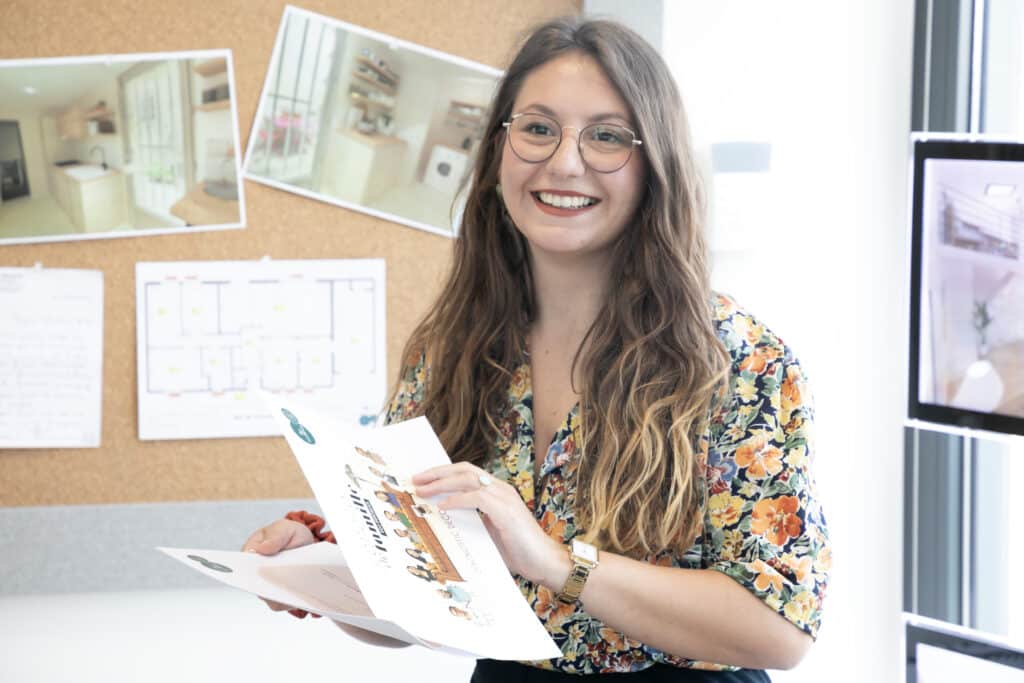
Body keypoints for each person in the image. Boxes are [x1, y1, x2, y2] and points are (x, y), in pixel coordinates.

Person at [243, 15, 830, 681]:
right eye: (538, 128)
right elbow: (419, 607)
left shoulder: (740, 360)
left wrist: (554, 561)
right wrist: (314, 568)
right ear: (500, 149)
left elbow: (780, 628)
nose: (564, 162)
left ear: (654, 167)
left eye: (606, 136)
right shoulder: (451, 349)